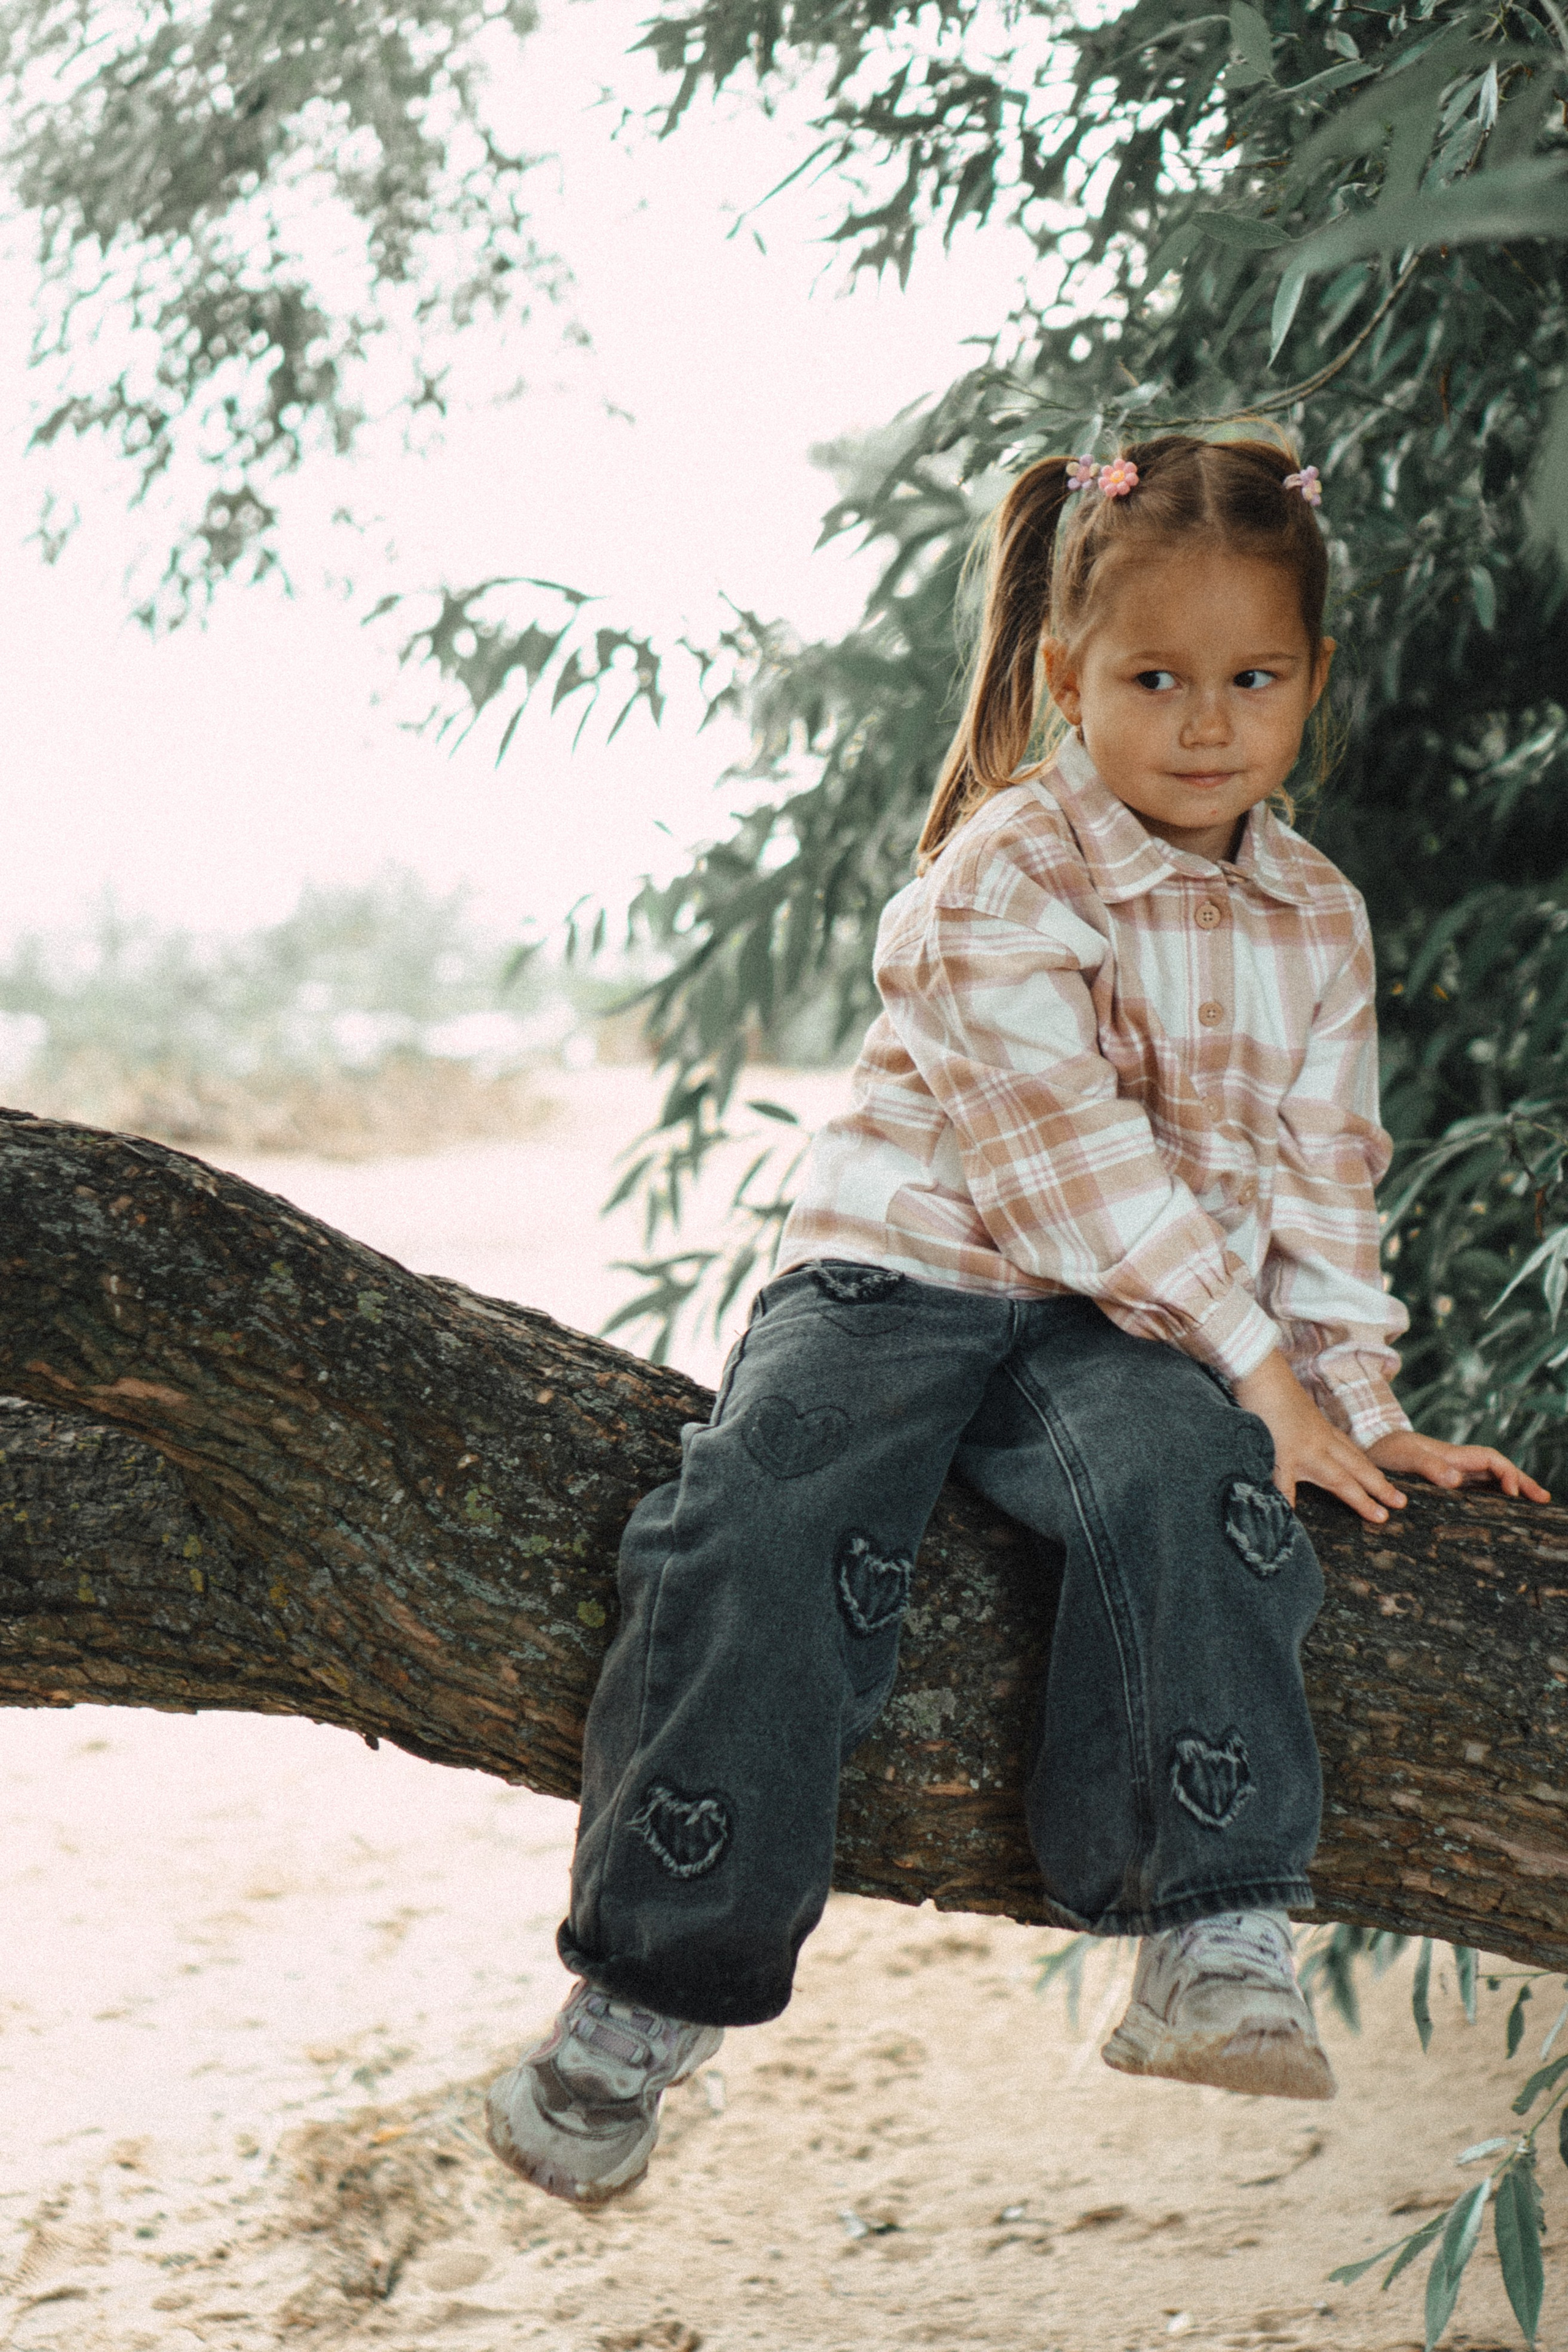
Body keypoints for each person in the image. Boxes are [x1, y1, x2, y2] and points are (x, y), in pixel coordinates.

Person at [485, 432, 1550, 2206]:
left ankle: (1212, 1926)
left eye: (1252, 679)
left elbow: (1321, 1183)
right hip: (901, 1275)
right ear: (1067, 679)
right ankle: (643, 1997)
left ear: (1313, 683)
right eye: (1156, 678)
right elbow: (1074, 1179)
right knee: (769, 1513)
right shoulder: (1003, 873)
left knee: (1211, 1484)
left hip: (1124, 1332)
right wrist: (1268, 1364)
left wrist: (1344, 1404)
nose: (1208, 722)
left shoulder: (1317, 920)